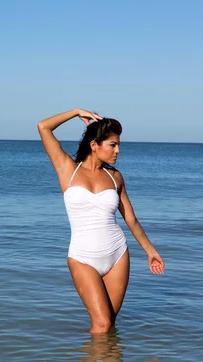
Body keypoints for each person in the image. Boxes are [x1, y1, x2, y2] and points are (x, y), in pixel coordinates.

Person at [37, 108, 165, 334]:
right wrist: (76, 111)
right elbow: (43, 127)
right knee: (102, 324)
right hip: (82, 257)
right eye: (112, 145)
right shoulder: (67, 169)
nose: (117, 150)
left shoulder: (114, 177)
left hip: (117, 254)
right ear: (94, 145)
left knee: (109, 325)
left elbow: (130, 218)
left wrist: (150, 250)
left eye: (118, 145)